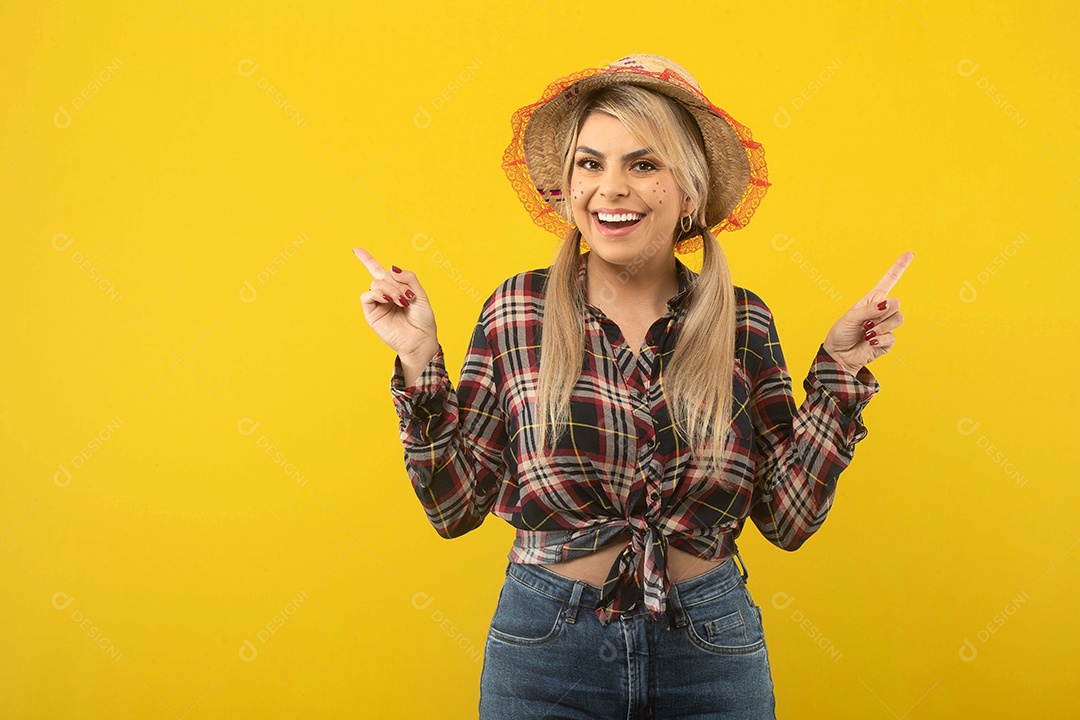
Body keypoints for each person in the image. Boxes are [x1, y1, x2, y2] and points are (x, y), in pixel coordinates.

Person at [354, 54, 912, 719]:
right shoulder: (518, 311)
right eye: (590, 164)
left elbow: (788, 520)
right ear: (566, 188)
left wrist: (840, 372)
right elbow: (454, 507)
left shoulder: (742, 322)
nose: (611, 188)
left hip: (710, 646)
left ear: (690, 192)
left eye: (643, 165)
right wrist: (419, 359)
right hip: (545, 649)